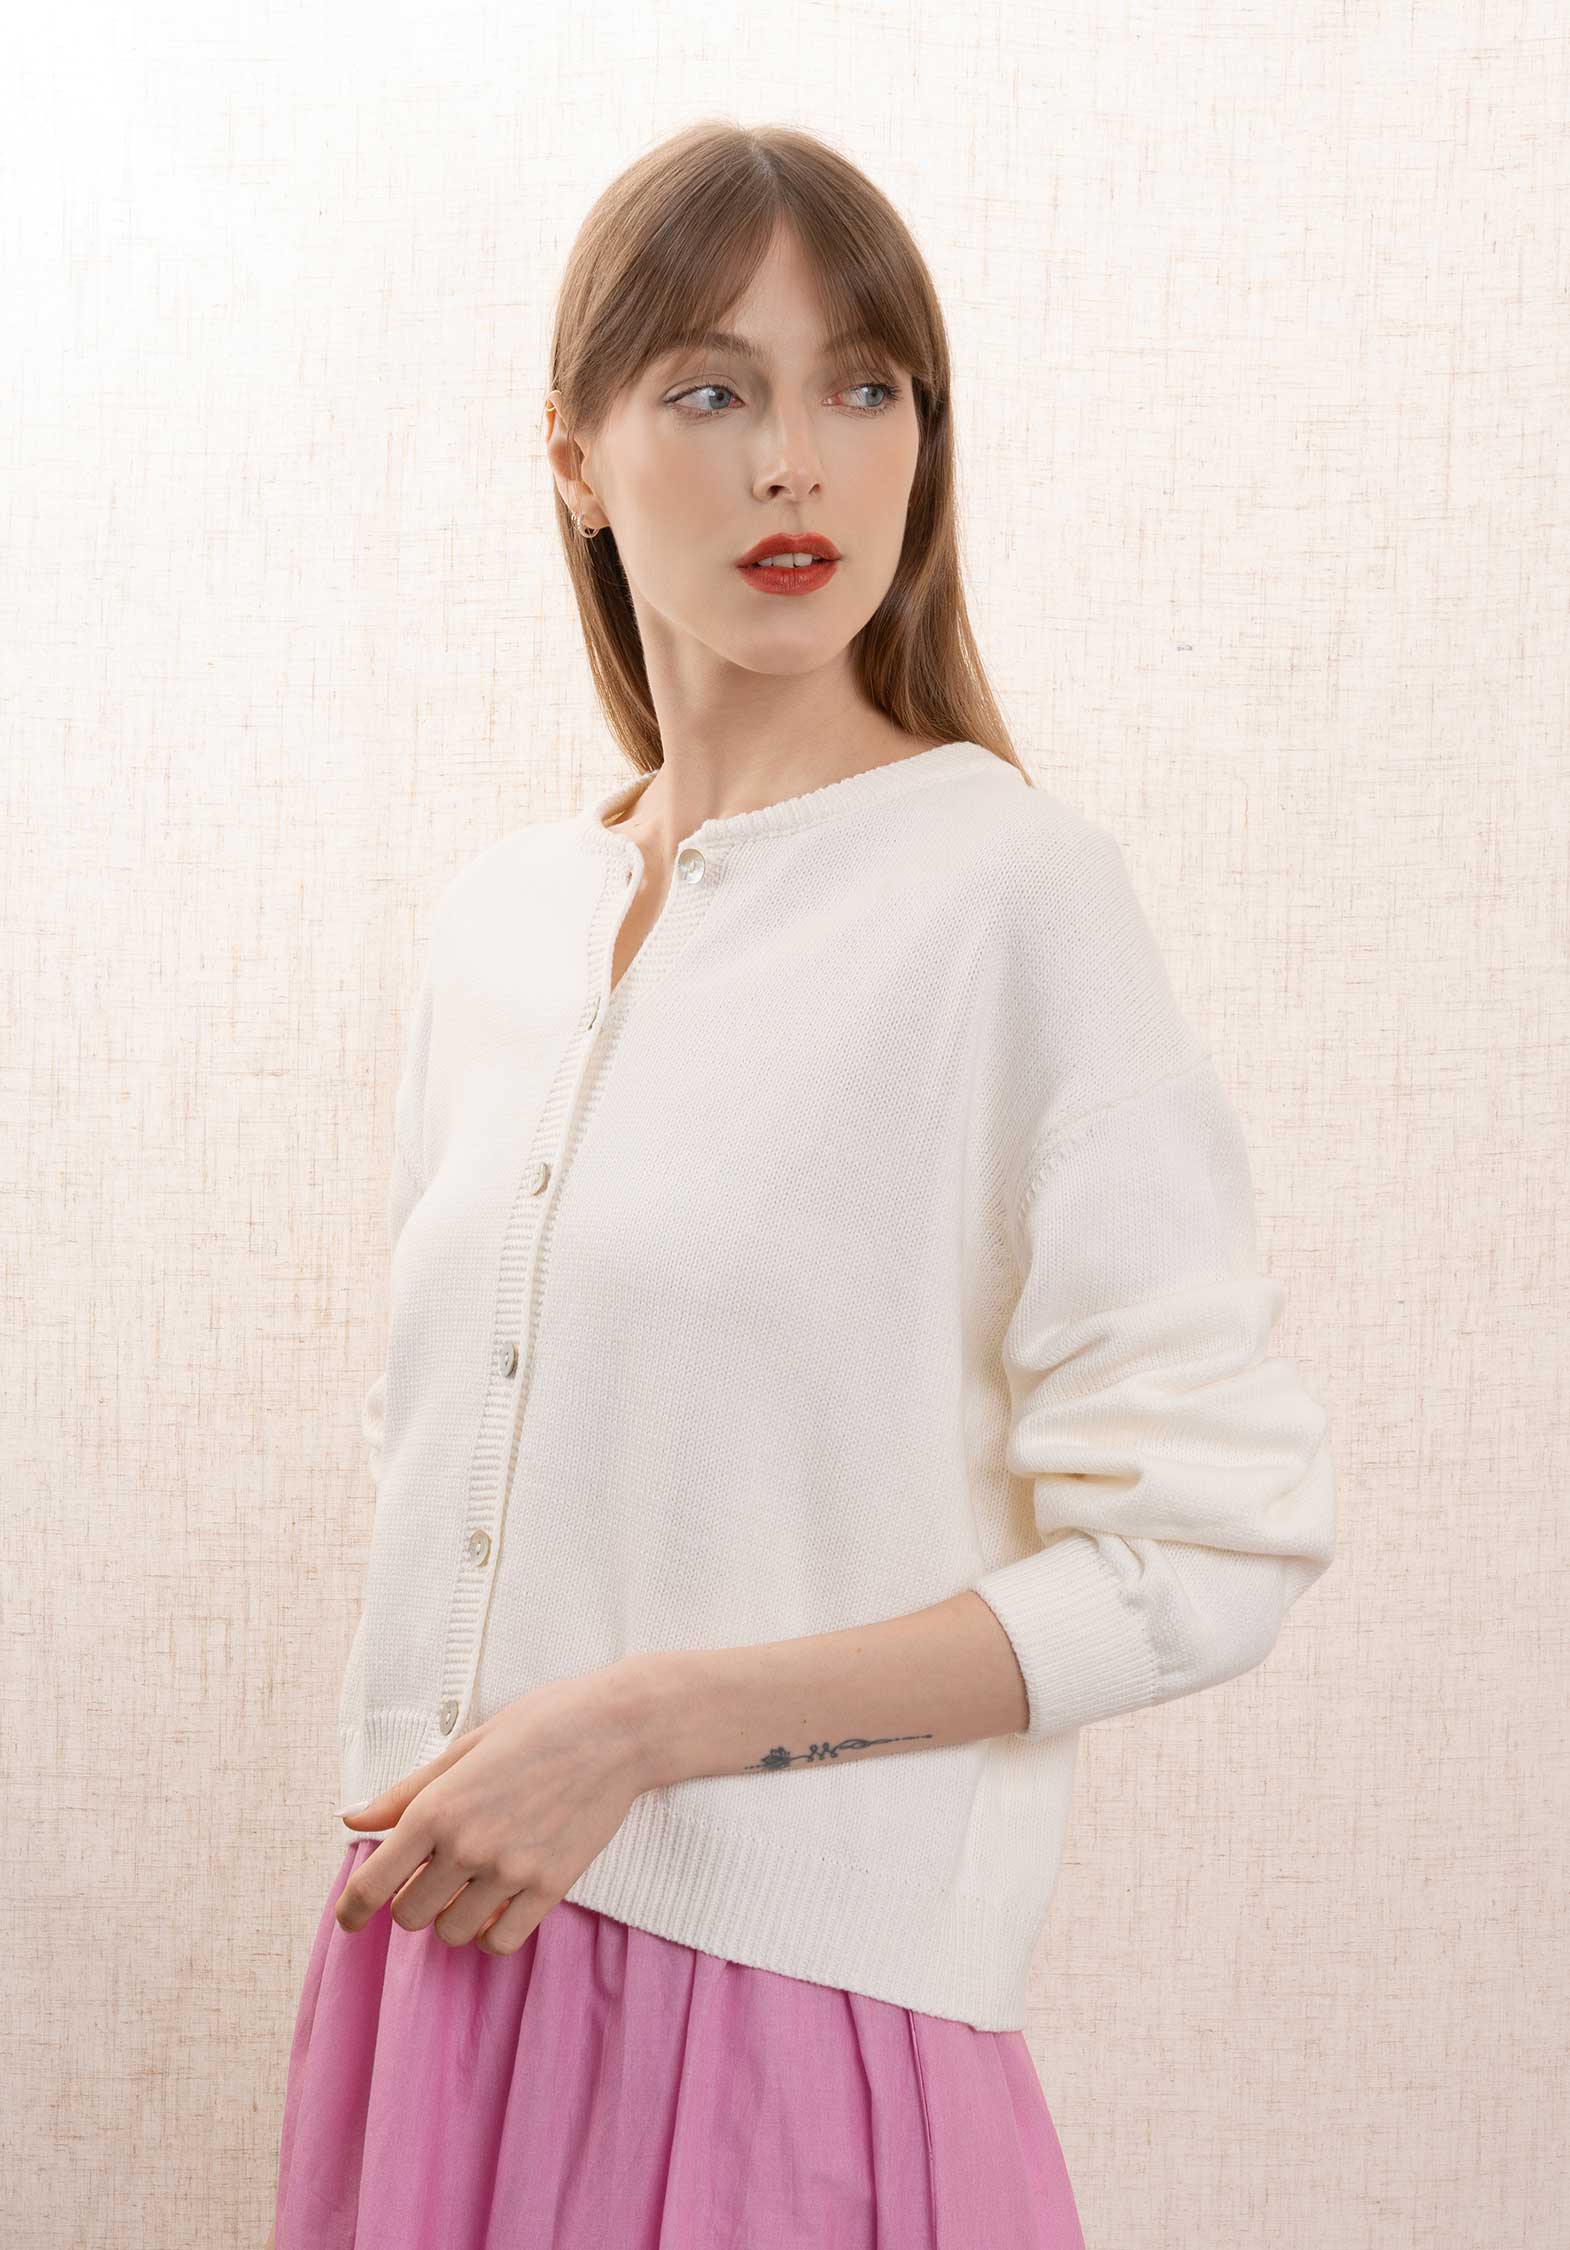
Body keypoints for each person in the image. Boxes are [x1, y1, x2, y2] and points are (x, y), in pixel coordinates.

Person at [269, 121, 1335, 2249]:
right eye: (710, 388)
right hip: (432, 1991)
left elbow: (1204, 1545)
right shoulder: (501, 928)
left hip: (784, 2034)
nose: (796, 464)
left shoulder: (1007, 899)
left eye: (863, 386)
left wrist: (644, 1729)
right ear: (571, 455)